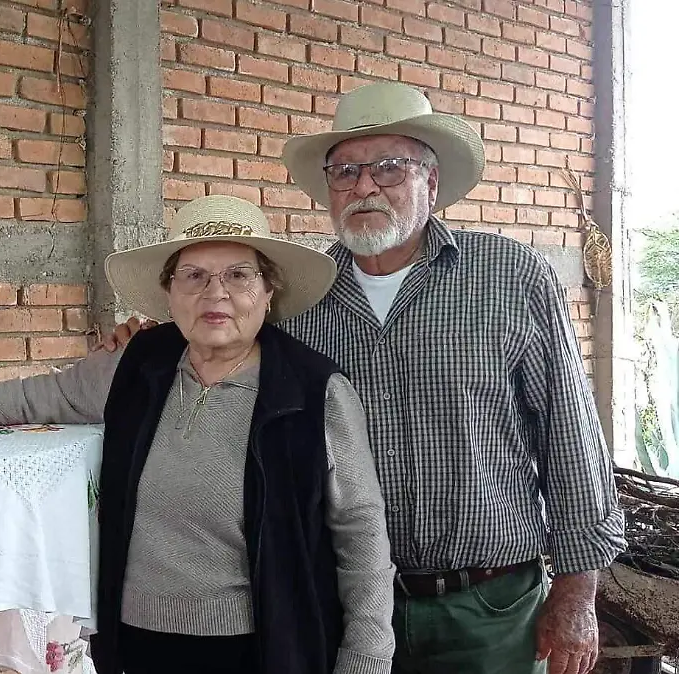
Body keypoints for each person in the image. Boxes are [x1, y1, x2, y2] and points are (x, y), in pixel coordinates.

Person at [99, 82, 626, 674]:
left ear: (431, 181)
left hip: (488, 605)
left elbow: (570, 433)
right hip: (341, 607)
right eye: (345, 171)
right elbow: (215, 329)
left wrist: (578, 589)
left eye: (389, 167)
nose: (365, 186)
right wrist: (147, 341)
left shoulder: (509, 276)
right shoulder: (298, 303)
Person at [0, 194, 397, 674]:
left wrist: (366, 657)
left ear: (268, 291)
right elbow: (34, 399)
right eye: (193, 276)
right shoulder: (138, 364)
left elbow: (360, 532)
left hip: (264, 648)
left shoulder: (312, 391)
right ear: (169, 293)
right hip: (136, 642)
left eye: (238, 275)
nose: (215, 293)